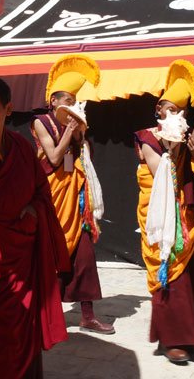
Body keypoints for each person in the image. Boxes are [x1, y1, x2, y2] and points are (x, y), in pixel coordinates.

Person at [0, 77, 70, 378]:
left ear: (9, 109)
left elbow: (41, 192)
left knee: (23, 328)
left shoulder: (20, 146)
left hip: (21, 258)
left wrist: (33, 210)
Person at [135, 60, 194, 364]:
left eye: (178, 110)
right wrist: (174, 148)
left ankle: (191, 332)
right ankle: (171, 338)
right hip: (161, 215)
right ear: (157, 109)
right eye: (166, 108)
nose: (171, 114)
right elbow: (162, 175)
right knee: (168, 272)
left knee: (188, 274)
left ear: (186, 114)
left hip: (188, 216)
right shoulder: (146, 137)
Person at [31, 54, 114, 334]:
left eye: (73, 101)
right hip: (51, 199)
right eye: (66, 100)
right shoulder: (41, 121)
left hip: (74, 200)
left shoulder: (75, 127)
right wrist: (69, 130)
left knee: (85, 256)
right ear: (53, 100)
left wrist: (79, 136)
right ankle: (46, 314)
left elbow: (72, 161)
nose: (70, 106)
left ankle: (87, 315)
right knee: (51, 257)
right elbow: (54, 158)